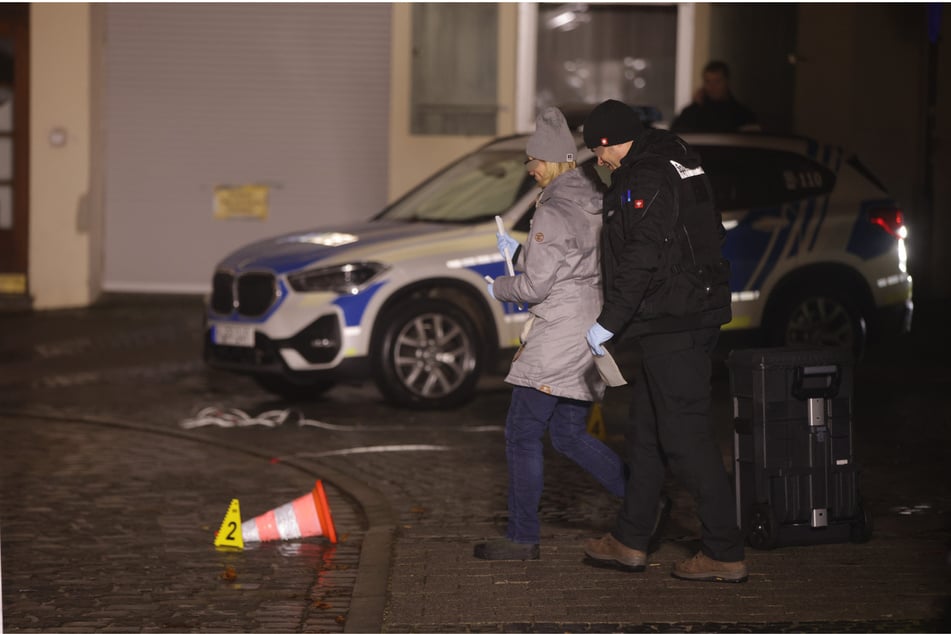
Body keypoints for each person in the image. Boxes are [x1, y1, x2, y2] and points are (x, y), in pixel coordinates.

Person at [580, 99, 748, 582]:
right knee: (647, 432)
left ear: (611, 142)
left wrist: (609, 321)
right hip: (678, 316)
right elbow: (709, 231)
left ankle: (724, 550)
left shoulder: (647, 175)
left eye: (598, 151)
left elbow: (642, 255)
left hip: (676, 322)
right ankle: (631, 539)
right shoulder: (675, 159)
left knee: (685, 437)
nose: (599, 161)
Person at [473, 106, 626, 561]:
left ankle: (522, 537)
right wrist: (523, 251)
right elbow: (571, 263)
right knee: (567, 434)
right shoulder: (595, 200)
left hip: (558, 332)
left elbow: (535, 287)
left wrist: (499, 286)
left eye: (534, 160)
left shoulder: (554, 210)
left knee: (521, 432)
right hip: (590, 328)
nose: (530, 169)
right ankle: (644, 500)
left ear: (554, 160)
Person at [670, 60, 759, 133]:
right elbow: (676, 133)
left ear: (727, 82)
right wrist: (695, 106)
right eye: (708, 81)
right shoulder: (692, 112)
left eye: (717, 81)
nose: (712, 87)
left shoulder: (742, 114)